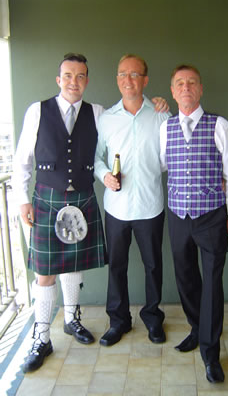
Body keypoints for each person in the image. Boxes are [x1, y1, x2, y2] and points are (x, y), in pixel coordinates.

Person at [13, 53, 107, 373]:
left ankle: (70, 319)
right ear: (58, 79)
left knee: (73, 264)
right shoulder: (37, 111)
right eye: (68, 75)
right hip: (46, 200)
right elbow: (22, 160)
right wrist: (22, 201)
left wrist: (158, 108)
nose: (73, 82)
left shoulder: (98, 113)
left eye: (80, 76)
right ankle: (41, 337)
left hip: (82, 198)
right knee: (45, 273)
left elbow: (116, 139)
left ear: (87, 80)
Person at [160, 64, 228, 383]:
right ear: (172, 91)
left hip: (212, 217)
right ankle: (197, 329)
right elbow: (163, 164)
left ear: (200, 89)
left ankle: (210, 354)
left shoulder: (219, 125)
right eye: (179, 83)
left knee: (211, 283)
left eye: (191, 82)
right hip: (179, 216)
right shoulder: (165, 127)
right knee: (186, 279)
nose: (186, 87)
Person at [94, 54, 171, 347]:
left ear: (145, 80)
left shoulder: (162, 115)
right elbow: (97, 158)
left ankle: (153, 318)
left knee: (153, 265)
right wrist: (105, 177)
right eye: (123, 74)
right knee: (117, 266)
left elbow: (169, 159)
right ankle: (118, 321)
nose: (129, 80)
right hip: (116, 208)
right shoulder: (107, 119)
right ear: (117, 79)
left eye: (135, 75)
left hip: (151, 205)